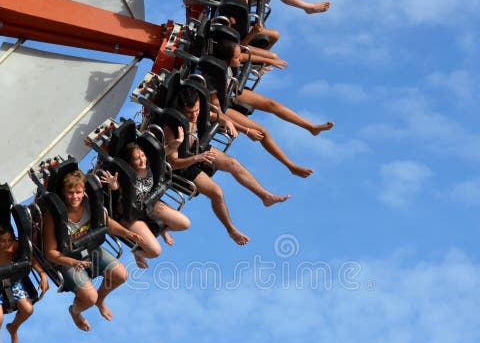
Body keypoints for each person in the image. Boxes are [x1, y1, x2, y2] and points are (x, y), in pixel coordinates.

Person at [167, 88, 291, 245]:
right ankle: (231, 229)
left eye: (197, 111)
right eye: (190, 113)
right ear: (180, 110)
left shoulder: (198, 113)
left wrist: (230, 123)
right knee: (217, 192)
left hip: (197, 149)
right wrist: (196, 158)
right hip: (184, 164)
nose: (194, 116)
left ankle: (265, 197)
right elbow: (173, 163)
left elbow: (215, 116)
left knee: (233, 163)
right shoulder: (172, 128)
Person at [42, 169, 143, 330]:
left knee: (121, 275)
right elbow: (50, 252)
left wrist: (127, 233)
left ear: (83, 192)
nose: (75, 197)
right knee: (89, 298)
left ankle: (101, 300)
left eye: (78, 192)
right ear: (63, 192)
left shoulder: (88, 203)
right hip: (68, 259)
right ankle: (75, 312)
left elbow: (107, 223)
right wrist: (73, 261)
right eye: (70, 193)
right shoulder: (53, 216)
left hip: (90, 249)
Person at [214, 39, 334, 137]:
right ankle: (291, 166)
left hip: (232, 90)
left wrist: (269, 61)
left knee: (272, 104)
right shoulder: (216, 72)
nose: (240, 58)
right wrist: (246, 130)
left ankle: (311, 127)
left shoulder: (232, 58)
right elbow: (217, 108)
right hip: (222, 104)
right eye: (237, 57)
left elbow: (244, 57)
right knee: (263, 132)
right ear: (227, 58)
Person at [99, 142, 191, 269]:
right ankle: (136, 252)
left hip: (150, 204)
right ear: (131, 163)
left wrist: (179, 141)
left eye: (143, 156)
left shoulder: (149, 166)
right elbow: (117, 188)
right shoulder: (128, 175)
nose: (142, 160)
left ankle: (161, 229)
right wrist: (113, 183)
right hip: (130, 214)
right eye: (137, 159)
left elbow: (166, 149)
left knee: (185, 224)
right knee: (155, 252)